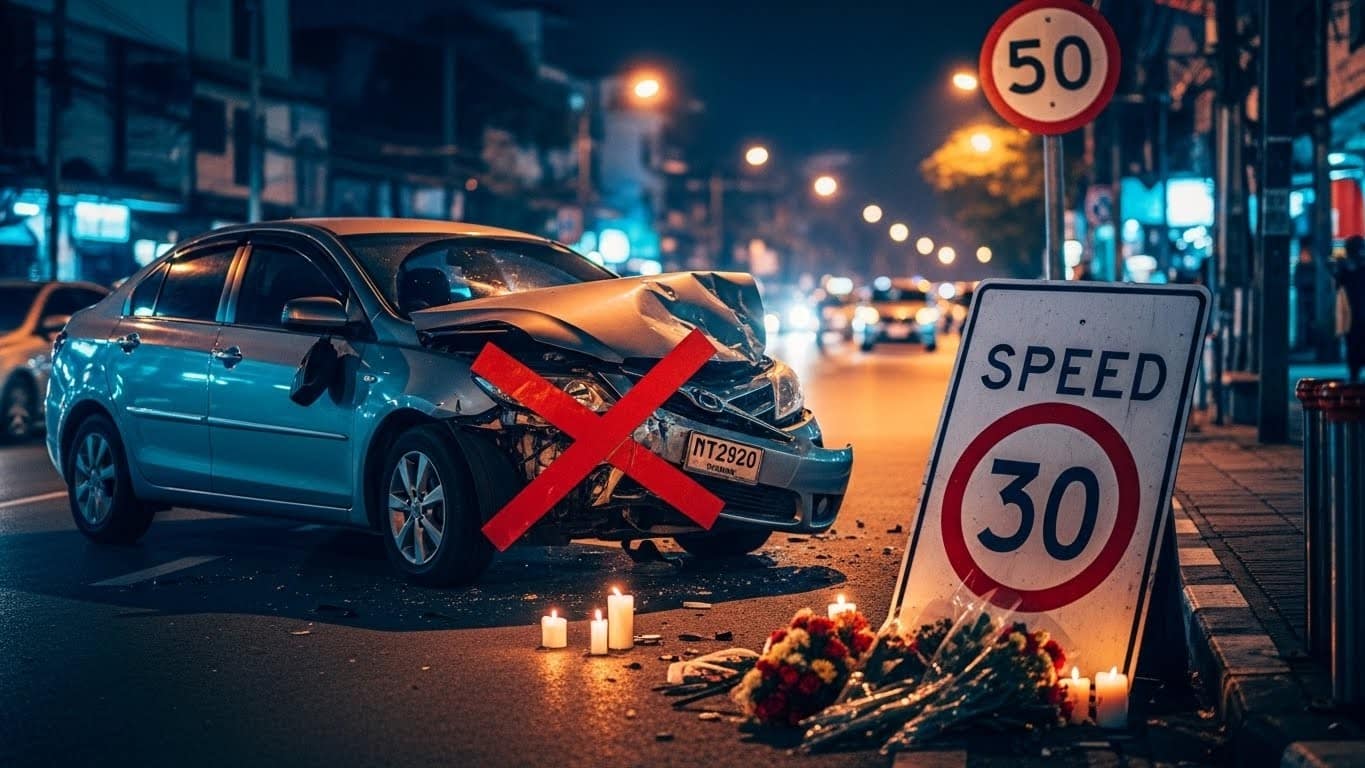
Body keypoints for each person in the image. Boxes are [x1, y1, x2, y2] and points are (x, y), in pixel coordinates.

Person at [1337, 236, 1365, 382]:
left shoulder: (1347, 270)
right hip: (1354, 314)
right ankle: (1354, 373)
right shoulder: (1349, 270)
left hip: (1353, 315)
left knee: (1354, 345)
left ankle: (1354, 373)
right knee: (1354, 344)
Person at [1294, 243, 1317, 350]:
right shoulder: (1300, 267)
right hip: (1303, 297)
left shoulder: (1313, 267)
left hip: (1311, 297)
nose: (1304, 257)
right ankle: (1303, 341)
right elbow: (1297, 281)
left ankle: (1311, 340)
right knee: (1303, 320)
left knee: (1311, 320)